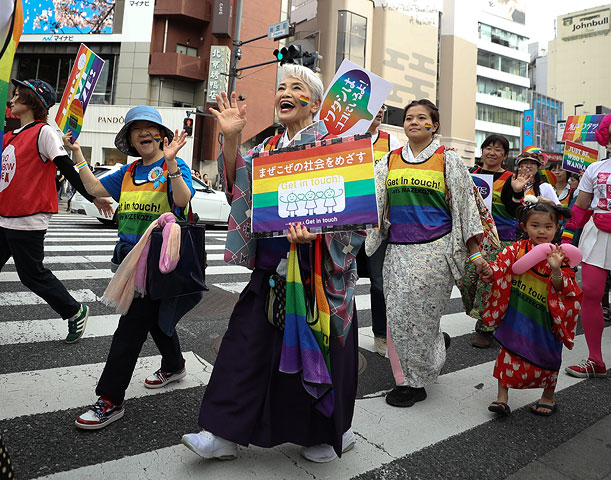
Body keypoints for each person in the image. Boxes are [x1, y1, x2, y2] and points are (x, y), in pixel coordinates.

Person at [182, 65, 363, 463]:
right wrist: (230, 139)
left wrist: (320, 236)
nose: (285, 92)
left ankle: (323, 433)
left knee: (321, 353)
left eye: (296, 87)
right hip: (271, 272)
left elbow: (358, 210)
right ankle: (223, 433)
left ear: (315, 103)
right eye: (281, 87)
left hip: (319, 274)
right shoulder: (264, 150)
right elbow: (238, 185)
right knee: (243, 349)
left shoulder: (336, 146)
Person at [70, 105, 197, 429]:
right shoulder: (128, 173)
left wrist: (171, 164)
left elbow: (182, 202)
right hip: (131, 261)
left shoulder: (174, 165)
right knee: (154, 319)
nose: (143, 132)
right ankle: (174, 365)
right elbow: (95, 189)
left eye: (149, 127)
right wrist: (77, 154)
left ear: (161, 136)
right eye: (135, 128)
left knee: (129, 329)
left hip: (160, 265)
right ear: (129, 138)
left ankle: (110, 399)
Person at [365, 99, 490, 408]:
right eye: (409, 118)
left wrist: (474, 253)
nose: (414, 122)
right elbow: (374, 201)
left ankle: (419, 375)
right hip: (397, 250)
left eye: (422, 118)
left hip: (435, 250)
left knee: (421, 318)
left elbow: (465, 209)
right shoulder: (390, 160)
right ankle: (408, 377)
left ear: (434, 126)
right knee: (396, 316)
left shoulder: (448, 159)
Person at [0, 79, 111, 343]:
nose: (12, 99)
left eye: (17, 95)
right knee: (30, 274)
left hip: (28, 218)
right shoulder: (10, 136)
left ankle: (74, 311)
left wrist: (92, 197)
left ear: (32, 101)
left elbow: (68, 169)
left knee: (32, 276)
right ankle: (73, 310)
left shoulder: (44, 133)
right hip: (5, 216)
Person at [481, 199, 582, 416]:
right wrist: (490, 271)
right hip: (518, 313)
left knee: (549, 355)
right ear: (524, 227)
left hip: (546, 316)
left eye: (548, 227)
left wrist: (556, 269)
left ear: (556, 228)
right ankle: (502, 397)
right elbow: (500, 266)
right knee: (508, 352)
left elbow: (565, 286)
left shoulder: (559, 255)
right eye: (535, 226)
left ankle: (548, 396)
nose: (542, 231)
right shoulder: (517, 249)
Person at [563, 112, 611, 378]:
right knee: (591, 293)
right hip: (598, 234)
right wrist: (564, 240)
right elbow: (581, 207)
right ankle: (595, 359)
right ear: (606, 136)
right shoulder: (595, 168)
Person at [462, 134, 522, 348]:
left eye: (498, 149)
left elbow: (516, 210)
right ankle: (487, 314)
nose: (492, 152)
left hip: (500, 239)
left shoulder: (511, 179)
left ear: (504, 156)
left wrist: (517, 193)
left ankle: (485, 329)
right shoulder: (470, 174)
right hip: (473, 238)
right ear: (482, 150)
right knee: (468, 280)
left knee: (488, 283)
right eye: (489, 147)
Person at [364, 104, 402, 356]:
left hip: (377, 226)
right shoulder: (342, 139)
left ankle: (380, 334)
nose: (380, 111)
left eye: (382, 107)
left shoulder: (392, 141)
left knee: (379, 282)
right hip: (345, 224)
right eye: (374, 105)